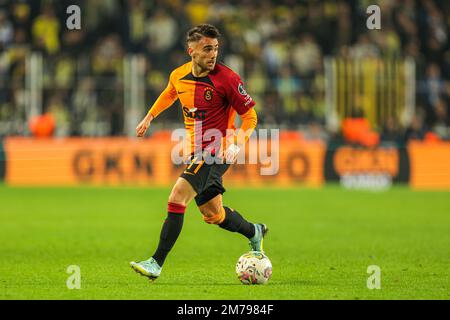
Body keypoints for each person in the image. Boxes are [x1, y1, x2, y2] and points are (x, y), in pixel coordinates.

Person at [130, 24, 268, 281]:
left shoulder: (228, 79)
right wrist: (149, 117)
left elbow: (250, 116)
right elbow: (169, 94)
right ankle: (254, 231)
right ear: (191, 51)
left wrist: (237, 143)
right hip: (197, 150)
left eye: (215, 48)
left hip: (217, 149)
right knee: (213, 213)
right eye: (207, 49)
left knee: (177, 196)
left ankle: (156, 263)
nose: (212, 54)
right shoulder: (178, 75)